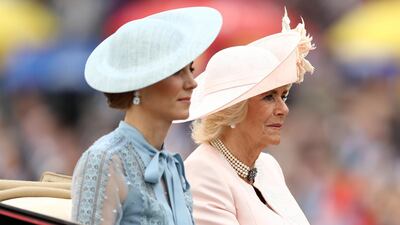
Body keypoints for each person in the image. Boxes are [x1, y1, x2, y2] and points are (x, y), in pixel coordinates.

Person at [71, 7, 222, 225]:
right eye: (176, 72)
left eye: (191, 69)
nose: (192, 82)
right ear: (141, 83)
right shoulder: (104, 160)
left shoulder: (173, 167)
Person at [179, 9, 315, 225]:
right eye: (269, 97)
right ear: (233, 109)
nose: (284, 109)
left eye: (284, 96)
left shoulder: (267, 166)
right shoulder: (202, 173)